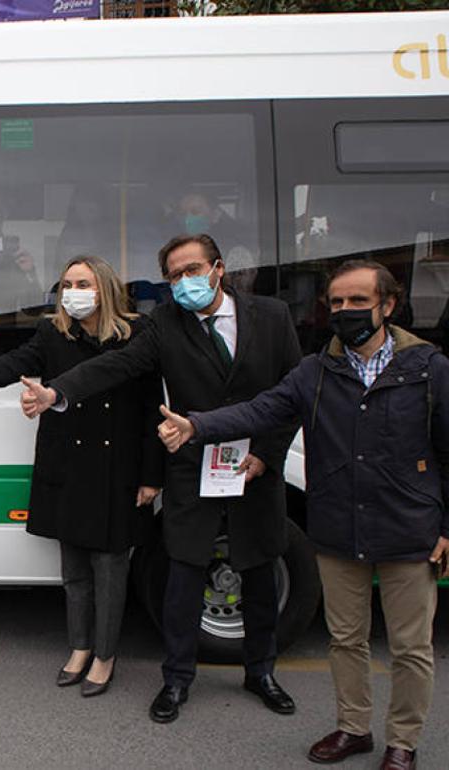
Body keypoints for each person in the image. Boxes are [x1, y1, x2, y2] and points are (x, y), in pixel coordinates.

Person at [157, 260, 448, 770]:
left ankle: (402, 741)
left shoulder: (429, 368)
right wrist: (198, 425)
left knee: (409, 648)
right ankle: (353, 729)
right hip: (337, 526)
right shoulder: (317, 371)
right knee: (346, 640)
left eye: (358, 301)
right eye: (336, 303)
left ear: (388, 305)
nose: (345, 312)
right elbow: (260, 409)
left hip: (408, 527)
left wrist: (446, 527)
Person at [20, 233, 303, 724]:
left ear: (218, 269)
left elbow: (292, 392)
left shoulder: (272, 317)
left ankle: (261, 673)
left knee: (259, 577)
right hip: (191, 464)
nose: (184, 282)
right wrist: (58, 393)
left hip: (253, 468)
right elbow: (116, 364)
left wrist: (267, 457)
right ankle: (176, 681)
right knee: (183, 581)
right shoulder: (164, 323)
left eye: (192, 270)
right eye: (174, 276)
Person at [0, 256, 163, 696]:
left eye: (83, 282)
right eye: (66, 284)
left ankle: (104, 655)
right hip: (69, 463)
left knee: (111, 568)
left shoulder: (139, 335)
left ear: (106, 289)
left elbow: (152, 405)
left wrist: (151, 477)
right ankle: (79, 647)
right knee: (74, 570)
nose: (73, 291)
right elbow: (11, 363)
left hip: (119, 467)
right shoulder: (52, 332)